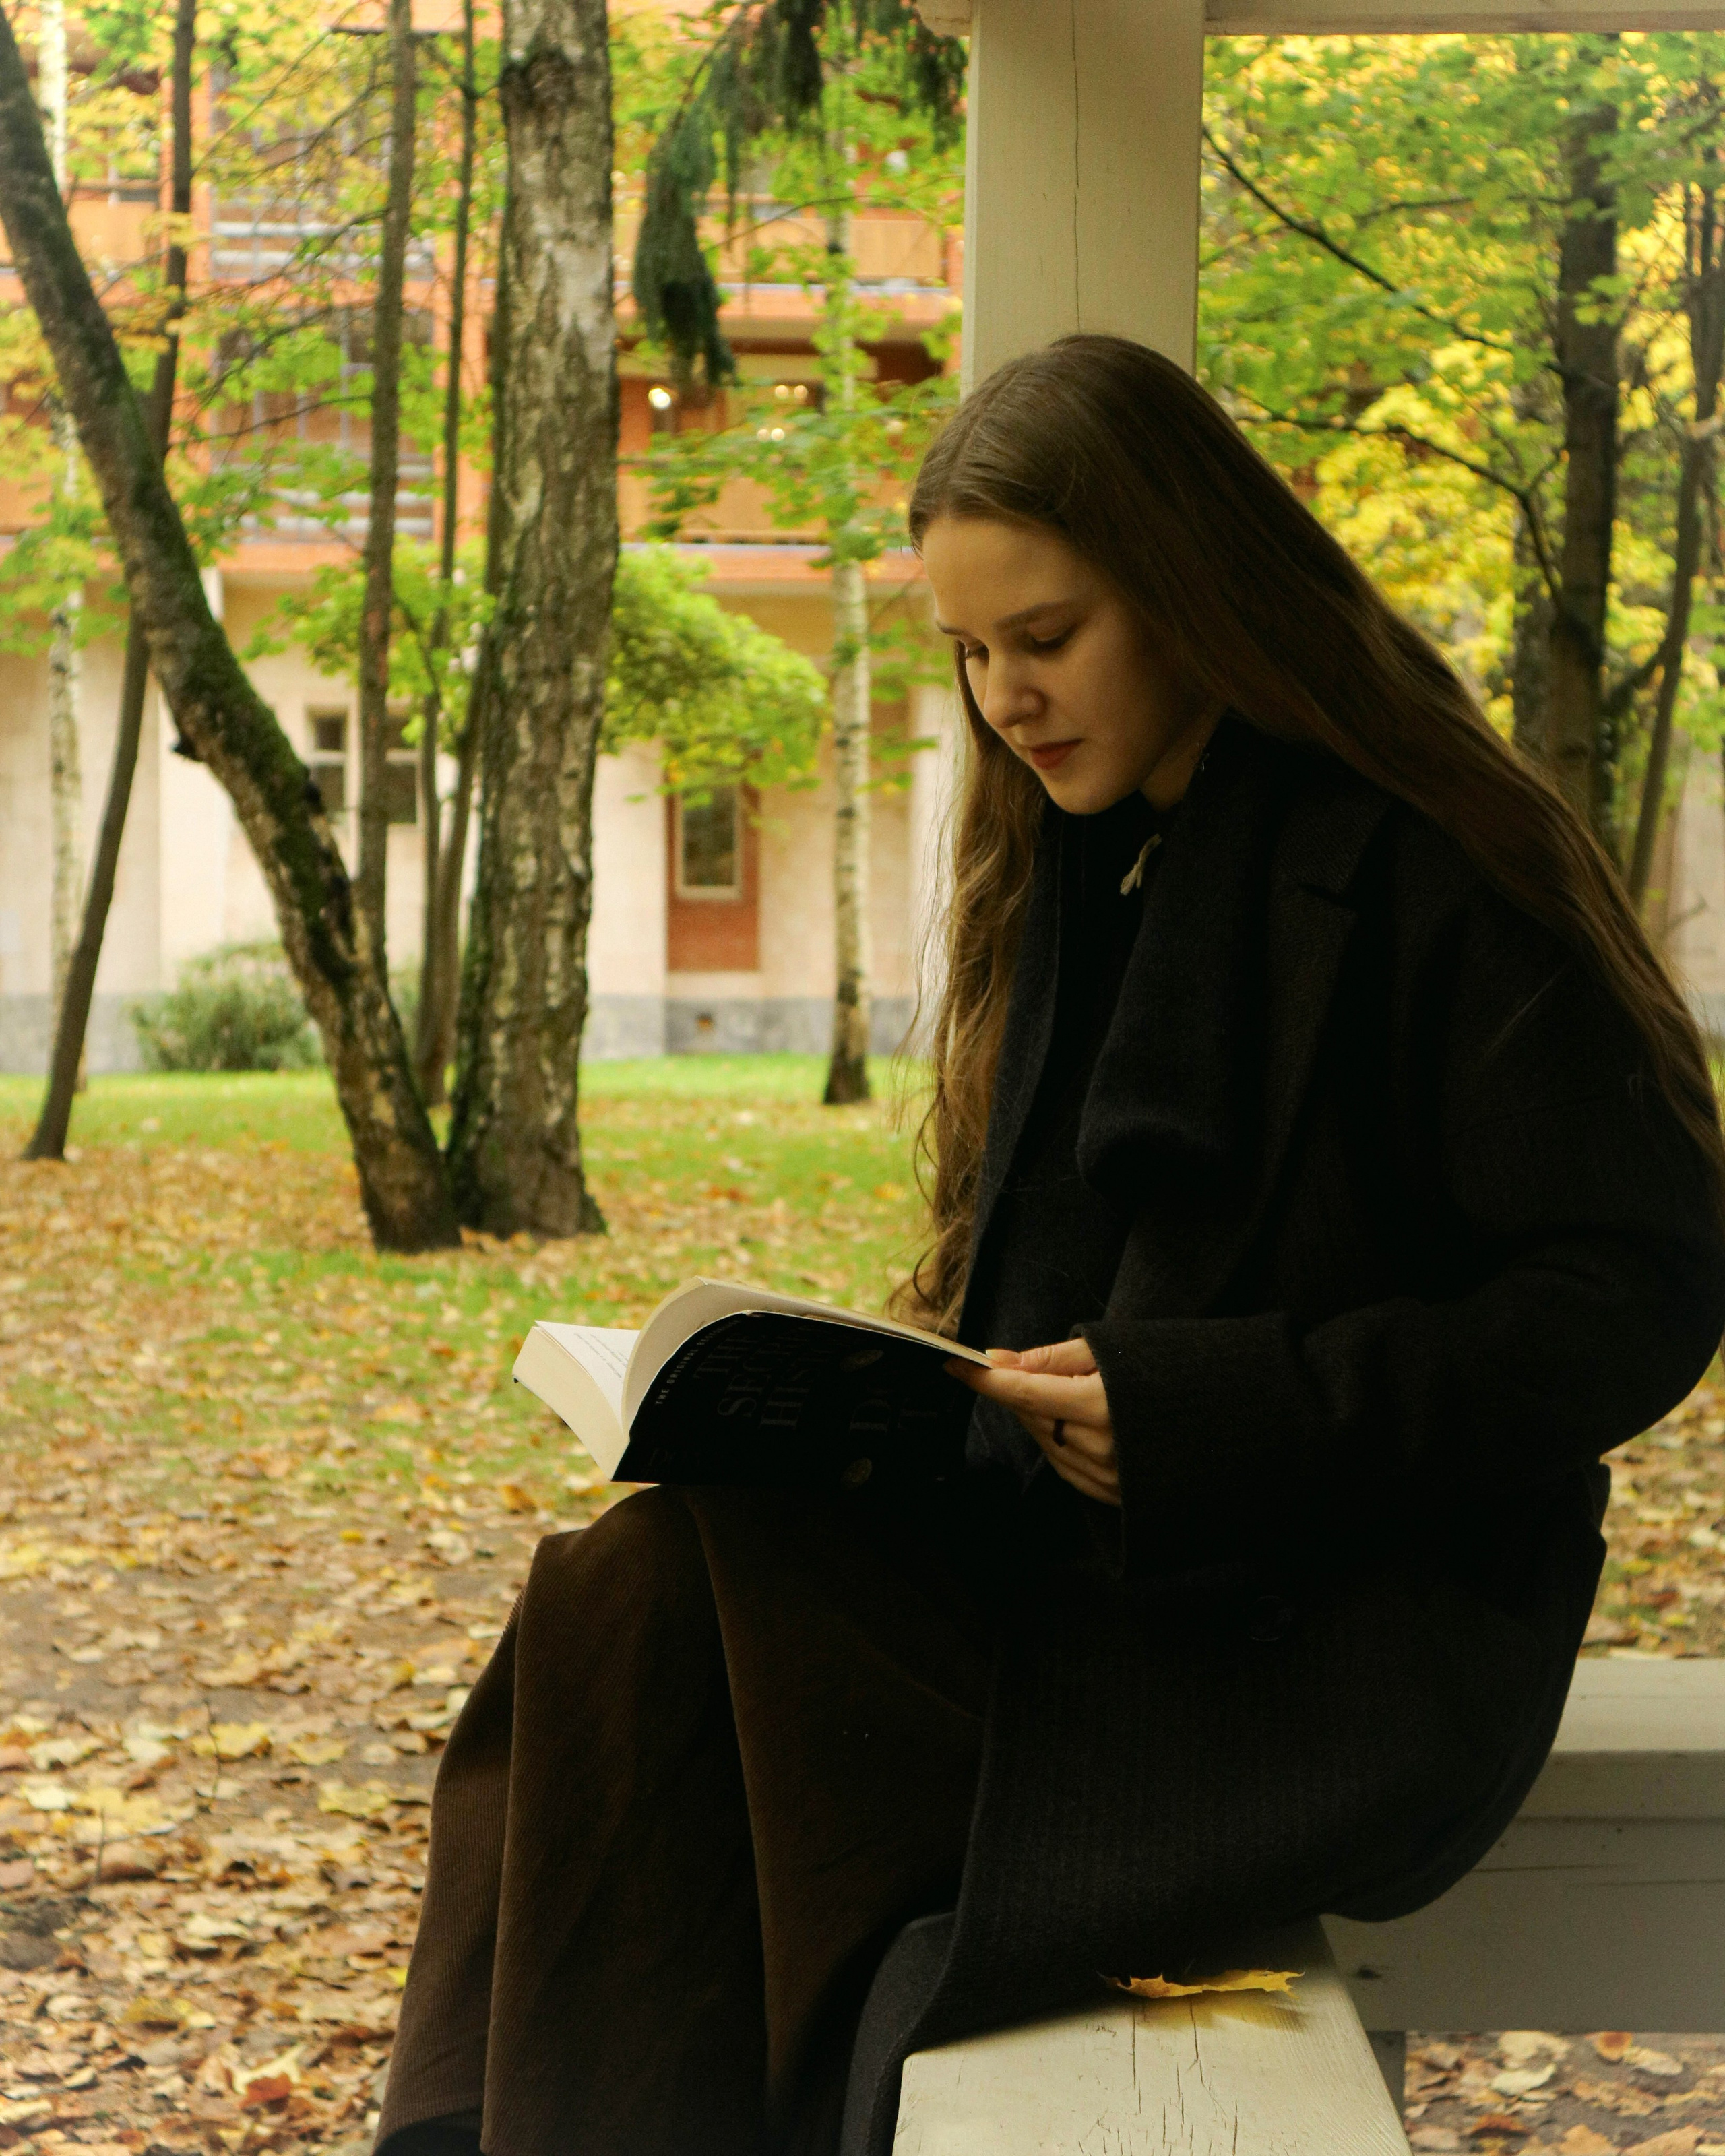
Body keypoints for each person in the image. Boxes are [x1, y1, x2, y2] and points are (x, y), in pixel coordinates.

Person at [377, 334, 1725, 2156]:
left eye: (1049, 635)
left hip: (1327, 1629)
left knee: (695, 1690)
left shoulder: (1438, 863)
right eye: (970, 651)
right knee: (626, 1588)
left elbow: (1631, 1303)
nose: (1007, 695)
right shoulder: (1084, 855)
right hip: (1077, 1574)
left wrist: (1222, 1407)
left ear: (1195, 586)